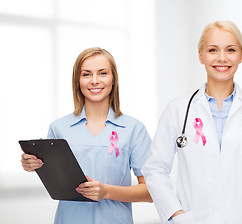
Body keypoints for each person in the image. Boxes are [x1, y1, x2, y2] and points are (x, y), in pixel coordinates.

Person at [142, 20, 242, 224]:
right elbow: (155, 170)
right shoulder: (178, 110)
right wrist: (177, 215)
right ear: (200, 55)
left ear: (241, 56)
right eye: (212, 50)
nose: (222, 58)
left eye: (230, 50)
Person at [20, 47, 152, 224]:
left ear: (114, 79)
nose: (95, 81)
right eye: (86, 74)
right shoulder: (59, 128)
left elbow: (151, 192)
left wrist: (105, 191)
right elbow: (53, 178)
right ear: (78, 81)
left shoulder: (134, 129)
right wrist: (32, 164)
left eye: (103, 73)